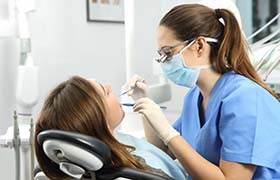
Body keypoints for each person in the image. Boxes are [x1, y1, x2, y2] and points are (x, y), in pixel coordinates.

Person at [123, 4, 280, 180]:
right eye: (161, 54)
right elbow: (165, 151)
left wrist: (168, 132)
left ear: (199, 45)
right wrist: (145, 104)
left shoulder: (245, 99)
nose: (163, 62)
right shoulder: (194, 97)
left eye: (168, 52)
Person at [34, 76, 188, 180]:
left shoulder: (110, 148)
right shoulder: (138, 170)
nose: (109, 86)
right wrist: (169, 134)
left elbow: (153, 151)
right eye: (105, 92)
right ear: (100, 120)